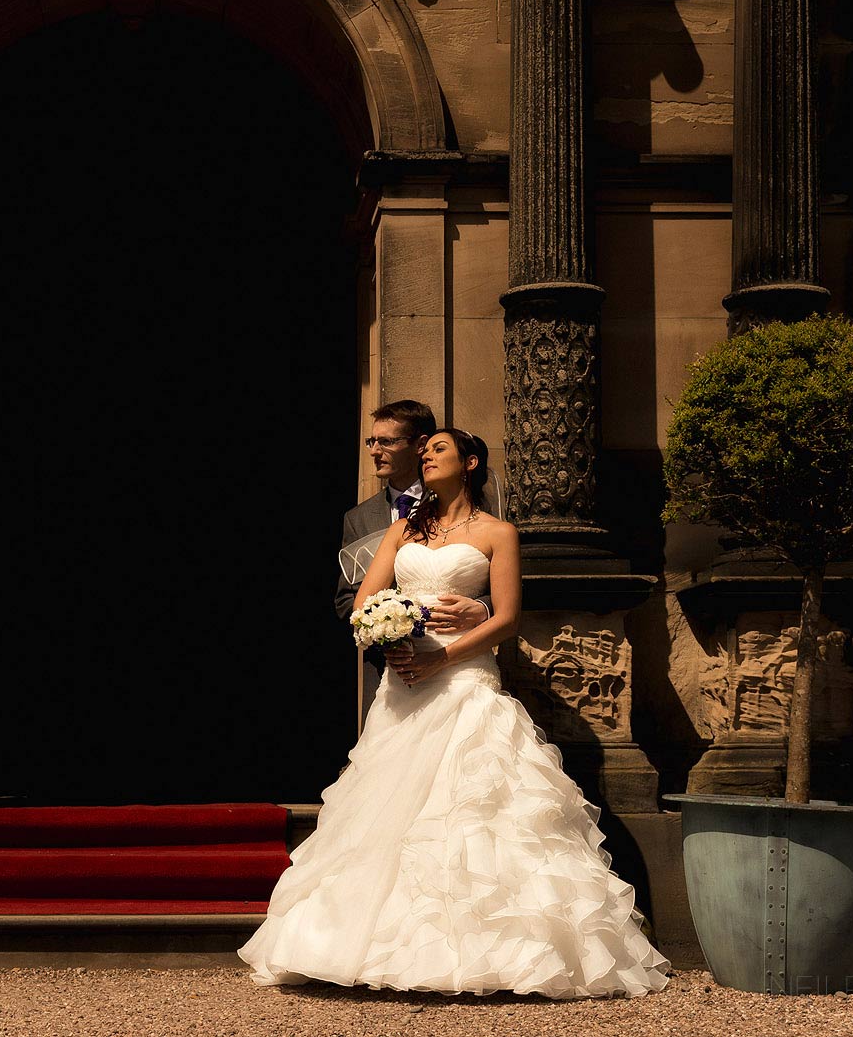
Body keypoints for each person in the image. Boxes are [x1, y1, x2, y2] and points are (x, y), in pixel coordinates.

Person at [242, 426, 671, 999]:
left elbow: (508, 619)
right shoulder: (401, 530)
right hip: (404, 685)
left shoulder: (499, 533)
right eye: (423, 451)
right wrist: (386, 631)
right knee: (386, 808)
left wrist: (448, 651)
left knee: (475, 804)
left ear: (470, 463)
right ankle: (355, 946)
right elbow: (365, 601)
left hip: (463, 678)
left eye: (437, 448)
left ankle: (492, 953)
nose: (425, 456)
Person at [337, 402, 486, 715]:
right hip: (388, 667)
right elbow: (347, 599)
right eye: (371, 442)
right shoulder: (358, 517)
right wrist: (388, 632)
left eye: (387, 442)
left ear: (420, 446)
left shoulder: (471, 502)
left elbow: (495, 573)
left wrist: (483, 608)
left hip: (459, 660)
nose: (375, 451)